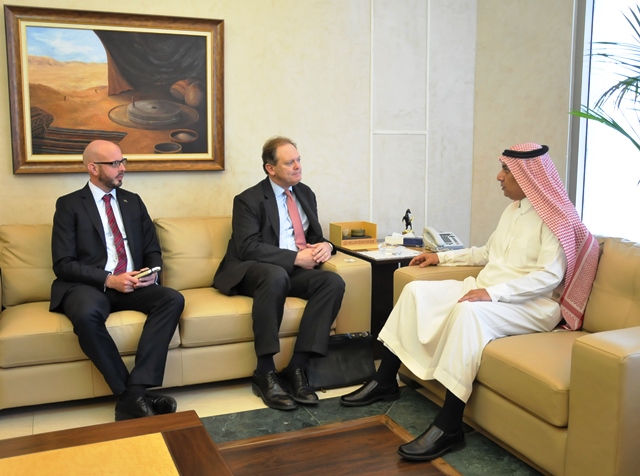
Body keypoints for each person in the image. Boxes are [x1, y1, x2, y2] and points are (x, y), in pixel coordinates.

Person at [340, 143, 599, 461]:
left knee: (468, 312)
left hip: (532, 305)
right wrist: (441, 257)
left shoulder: (555, 219)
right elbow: (488, 253)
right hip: (487, 290)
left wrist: (493, 294)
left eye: (506, 170)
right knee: (416, 292)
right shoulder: (513, 210)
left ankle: (449, 425)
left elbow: (549, 277)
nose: (499, 177)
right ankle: (384, 380)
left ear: (527, 176)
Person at [50, 140, 185, 421]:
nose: (122, 168)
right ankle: (132, 396)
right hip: (89, 286)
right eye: (114, 164)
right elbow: (63, 264)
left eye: (123, 161)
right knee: (86, 315)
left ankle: (134, 392)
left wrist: (152, 272)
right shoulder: (69, 205)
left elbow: (152, 248)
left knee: (172, 299)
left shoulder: (132, 201)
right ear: (93, 168)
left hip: (133, 283)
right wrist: (109, 280)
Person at [214, 136, 345, 411]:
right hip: (253, 271)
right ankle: (264, 372)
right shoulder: (248, 200)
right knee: (275, 275)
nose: (298, 166)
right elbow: (248, 247)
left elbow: (314, 237)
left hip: (291, 271)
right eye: (289, 163)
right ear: (270, 168)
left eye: (298, 160)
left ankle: (297, 368)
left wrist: (326, 246)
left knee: (332, 282)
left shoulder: (305, 193)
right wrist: (295, 257)